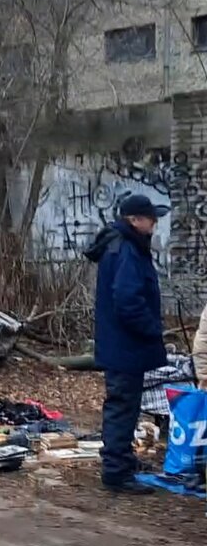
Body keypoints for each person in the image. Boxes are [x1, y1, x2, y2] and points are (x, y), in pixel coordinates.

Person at [84, 194, 167, 495]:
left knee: (125, 406)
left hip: (122, 345)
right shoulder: (127, 249)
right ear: (134, 220)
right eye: (150, 218)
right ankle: (116, 472)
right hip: (125, 345)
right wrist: (152, 328)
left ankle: (121, 462)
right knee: (122, 406)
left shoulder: (123, 245)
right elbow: (127, 299)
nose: (155, 223)